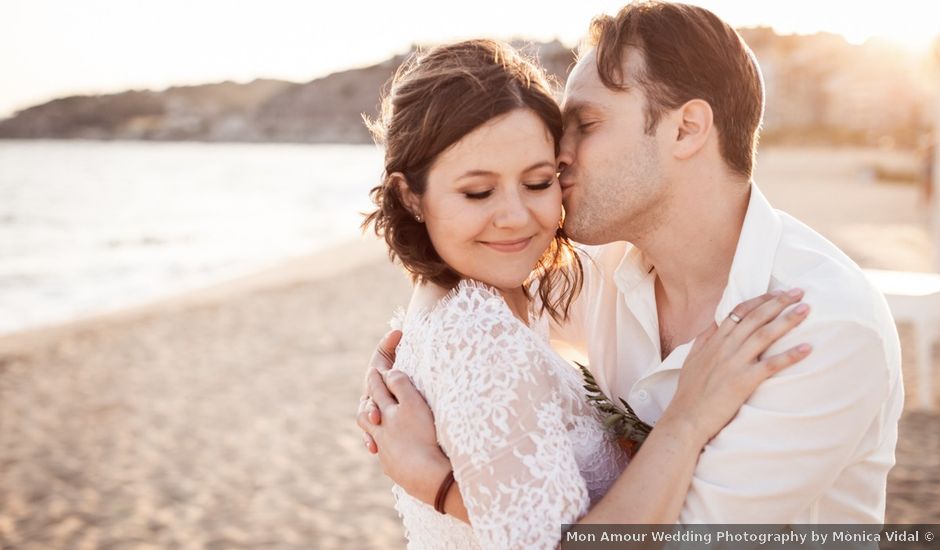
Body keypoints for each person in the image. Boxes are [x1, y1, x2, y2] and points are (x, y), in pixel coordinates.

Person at [359, 0, 904, 527]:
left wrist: (437, 483)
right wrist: (402, 361)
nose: (559, 153)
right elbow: (475, 303)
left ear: (686, 129)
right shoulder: (605, 267)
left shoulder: (819, 326)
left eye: (587, 125)